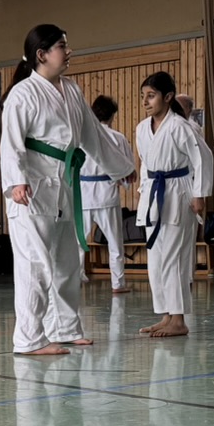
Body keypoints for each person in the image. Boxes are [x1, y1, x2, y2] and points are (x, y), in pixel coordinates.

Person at [0, 26, 132, 356]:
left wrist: (121, 168)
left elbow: (93, 135)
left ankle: (65, 328)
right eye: (62, 46)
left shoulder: (71, 89)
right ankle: (29, 338)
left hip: (64, 186)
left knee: (67, 264)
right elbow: (11, 143)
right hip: (31, 190)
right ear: (41, 54)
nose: (68, 51)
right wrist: (16, 181)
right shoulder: (22, 94)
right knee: (35, 265)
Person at [135, 71, 214, 339]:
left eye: (151, 96)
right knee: (156, 258)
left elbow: (203, 158)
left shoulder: (181, 126)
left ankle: (179, 319)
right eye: (143, 96)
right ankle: (166, 315)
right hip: (153, 194)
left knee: (175, 257)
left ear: (168, 97)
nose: (145, 102)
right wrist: (142, 191)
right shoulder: (142, 129)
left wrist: (199, 194)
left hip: (178, 192)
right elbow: (145, 163)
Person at [82, 96, 132, 294]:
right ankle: (117, 284)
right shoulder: (117, 138)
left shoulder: (82, 137)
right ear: (112, 115)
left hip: (83, 195)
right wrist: (123, 180)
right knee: (114, 243)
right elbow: (127, 168)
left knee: (78, 241)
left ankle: (75, 278)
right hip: (107, 194)